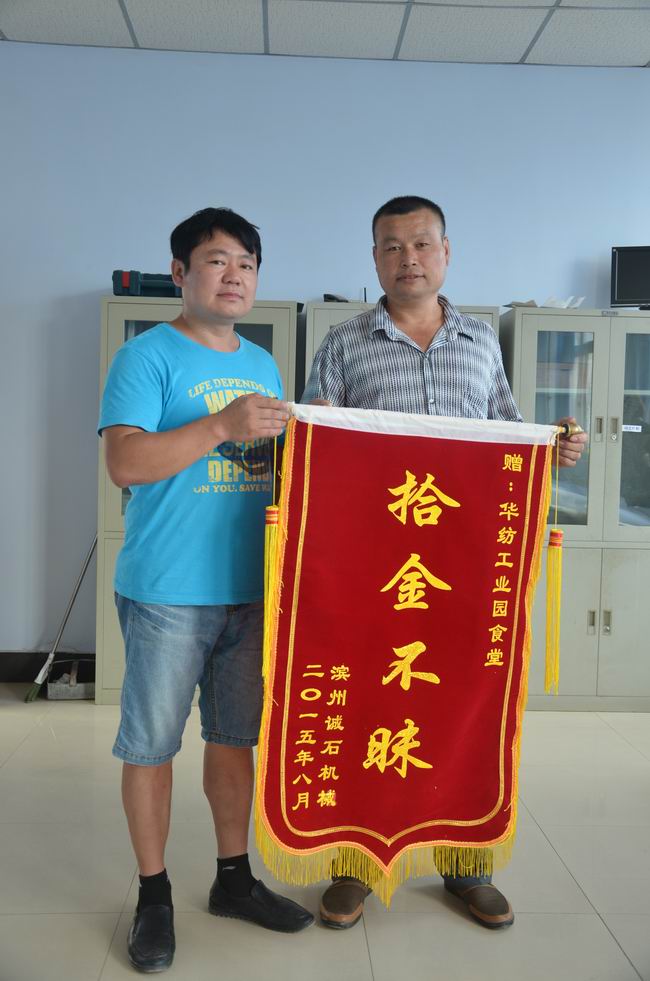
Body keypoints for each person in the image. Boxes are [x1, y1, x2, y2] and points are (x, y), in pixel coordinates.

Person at [302, 194, 587, 932]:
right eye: (392, 246)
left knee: (463, 703)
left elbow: (508, 433)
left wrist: (552, 448)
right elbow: (316, 446)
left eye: (422, 243)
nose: (409, 258)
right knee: (373, 704)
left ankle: (468, 864)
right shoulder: (343, 343)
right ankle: (356, 862)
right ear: (374, 259)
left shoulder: (480, 341)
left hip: (460, 571)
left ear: (446, 252)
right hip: (374, 571)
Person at [99, 208, 314, 974]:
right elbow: (124, 464)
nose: (234, 276)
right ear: (181, 272)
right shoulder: (145, 356)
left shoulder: (263, 363)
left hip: (250, 588)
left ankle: (233, 878)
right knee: (152, 745)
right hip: (167, 589)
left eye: (247, 264)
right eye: (218, 260)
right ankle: (154, 894)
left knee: (234, 739)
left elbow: (280, 469)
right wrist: (220, 426)